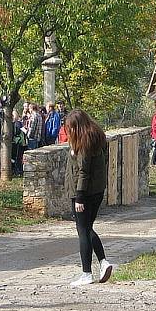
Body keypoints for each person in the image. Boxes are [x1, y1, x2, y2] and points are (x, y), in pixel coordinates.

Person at [63, 110, 113, 287]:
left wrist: (79, 197)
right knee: (88, 229)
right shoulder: (97, 139)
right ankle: (103, 262)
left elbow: (83, 172)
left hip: (84, 193)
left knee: (83, 231)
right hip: (97, 191)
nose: (69, 131)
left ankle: (86, 273)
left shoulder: (84, 143)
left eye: (70, 128)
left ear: (76, 126)